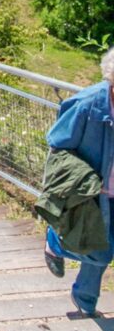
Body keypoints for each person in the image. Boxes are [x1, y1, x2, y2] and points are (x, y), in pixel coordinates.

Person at [39, 47, 114, 317]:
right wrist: (75, 184)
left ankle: (84, 300)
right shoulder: (88, 104)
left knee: (102, 246)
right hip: (92, 193)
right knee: (103, 252)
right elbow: (58, 146)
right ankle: (56, 244)